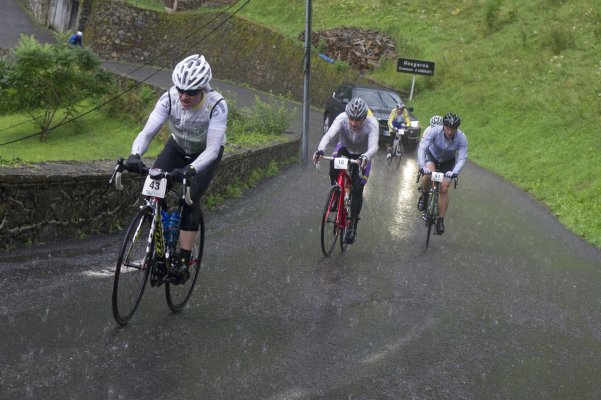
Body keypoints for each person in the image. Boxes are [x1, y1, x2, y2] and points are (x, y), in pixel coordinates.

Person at [126, 54, 227, 283]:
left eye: (191, 92)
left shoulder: (217, 105)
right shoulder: (169, 99)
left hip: (205, 153)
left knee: (190, 196)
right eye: (180, 90)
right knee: (153, 187)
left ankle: (183, 259)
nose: (184, 96)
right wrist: (135, 154)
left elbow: (213, 149)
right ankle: (161, 240)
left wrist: (191, 169)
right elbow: (147, 132)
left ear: (203, 89)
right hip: (178, 146)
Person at [313, 97, 379, 244]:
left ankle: (353, 224)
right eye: (351, 119)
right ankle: (336, 192)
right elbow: (329, 135)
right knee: (334, 165)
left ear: (364, 118)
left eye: (358, 120)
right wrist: (320, 150)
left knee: (357, 188)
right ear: (347, 115)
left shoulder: (372, 123)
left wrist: (366, 156)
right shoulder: (342, 118)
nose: (353, 123)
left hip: (363, 155)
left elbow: (374, 146)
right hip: (345, 149)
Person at [416, 112, 467, 234]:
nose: (450, 132)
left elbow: (462, 158)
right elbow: (422, 148)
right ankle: (424, 196)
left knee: (444, 188)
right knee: (428, 175)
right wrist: (422, 166)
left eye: (453, 129)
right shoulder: (434, 131)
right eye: (448, 128)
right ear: (443, 125)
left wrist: (454, 172)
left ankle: (440, 220)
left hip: (448, 161)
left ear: (457, 129)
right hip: (432, 156)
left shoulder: (461, 137)